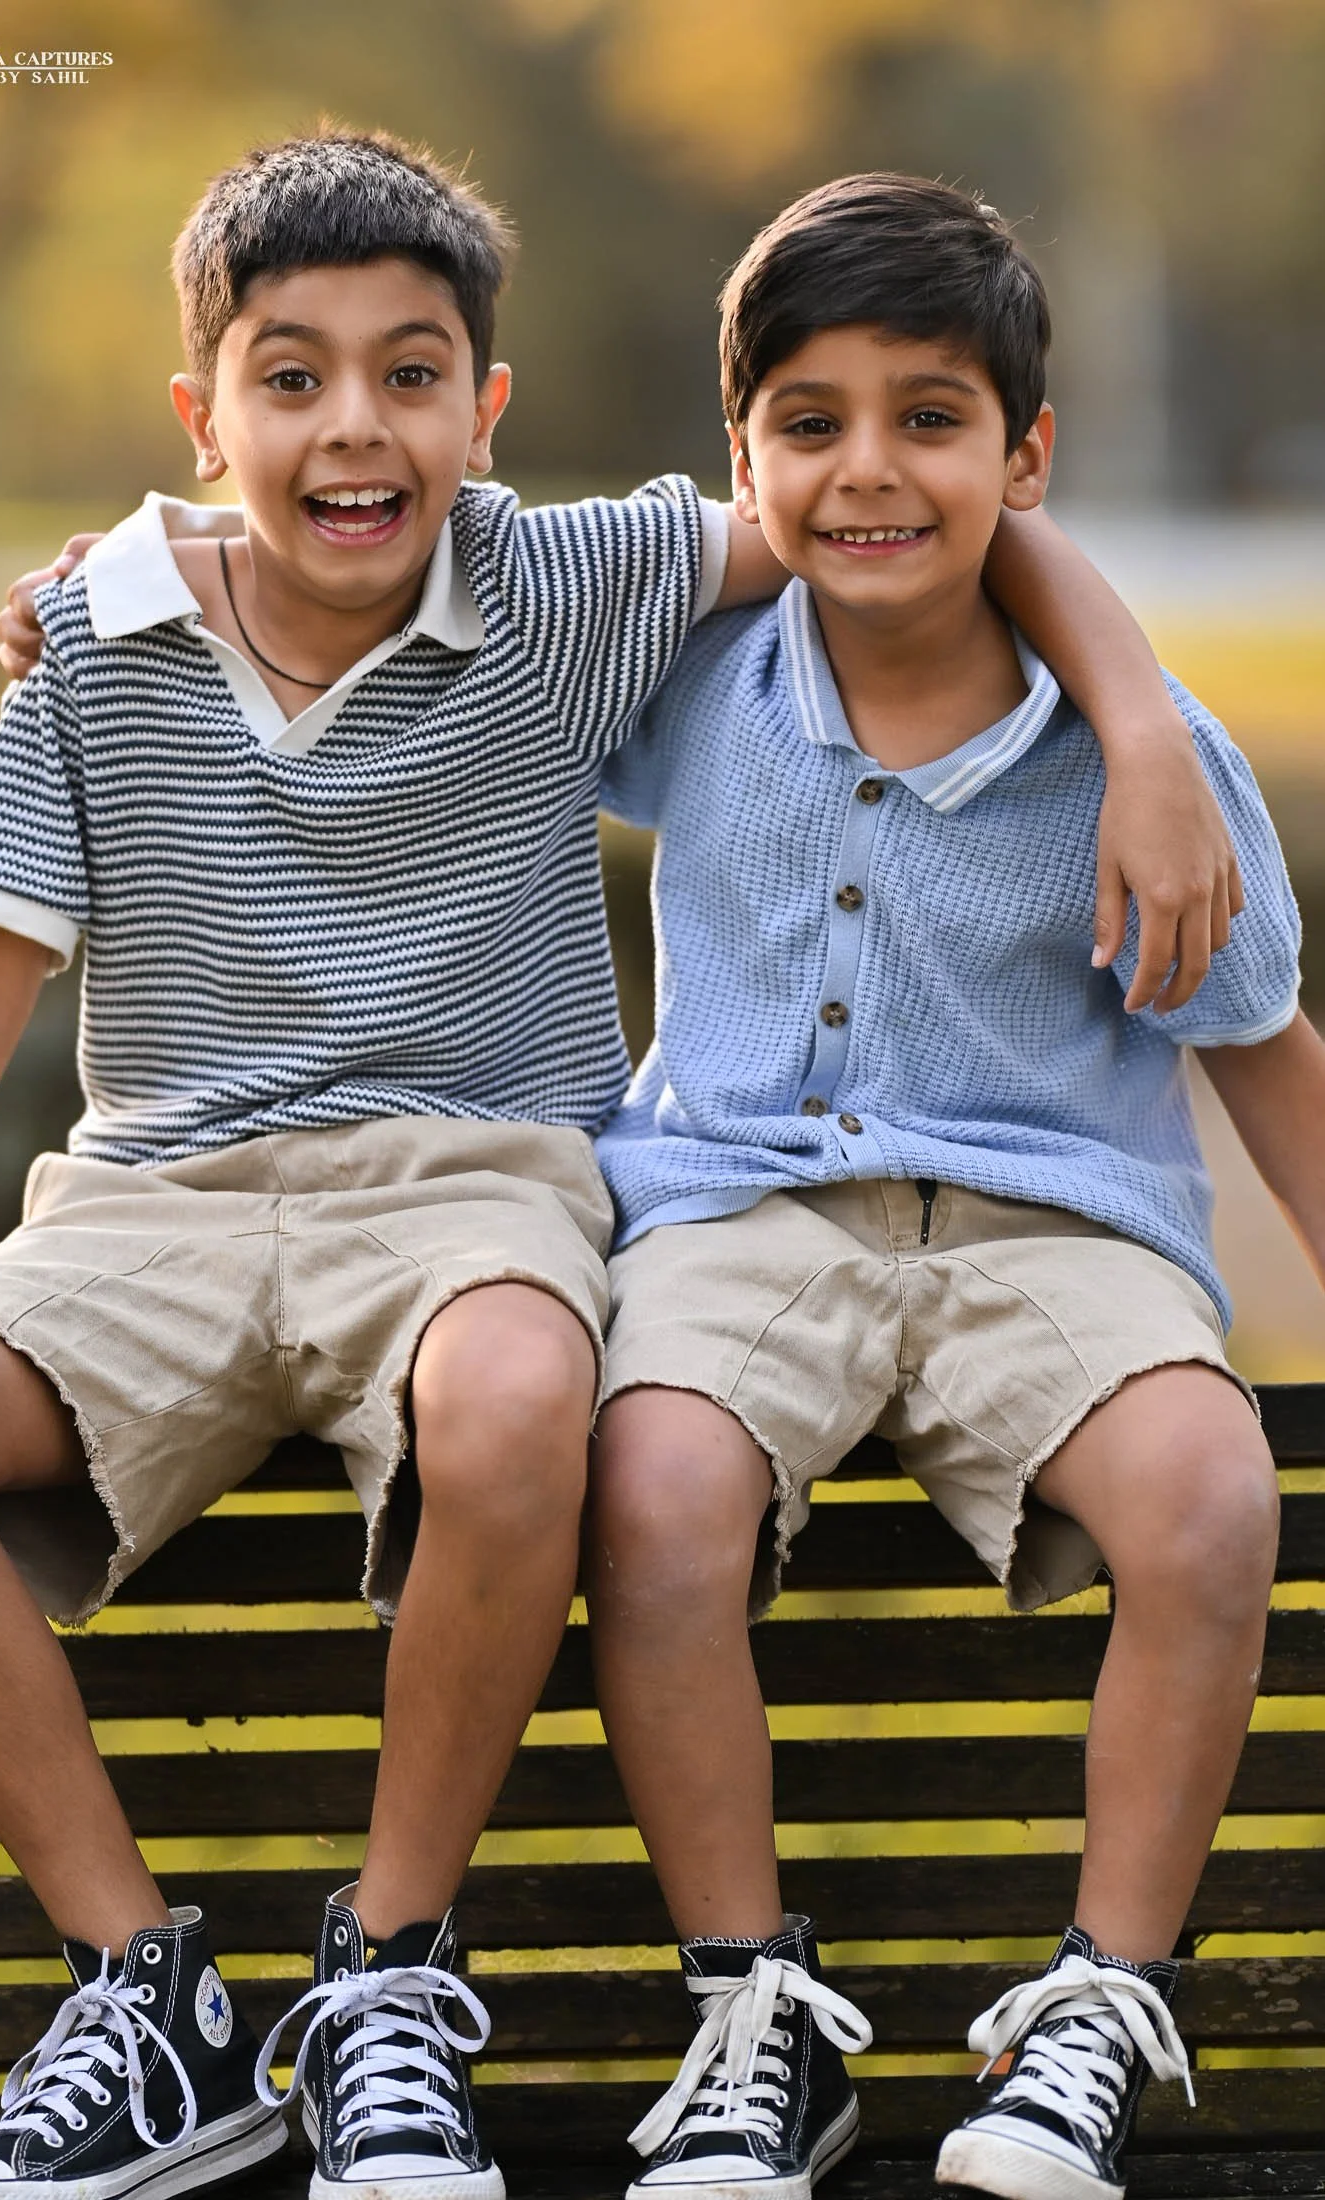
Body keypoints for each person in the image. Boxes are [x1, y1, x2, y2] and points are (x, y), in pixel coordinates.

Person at [0, 129, 1241, 2200]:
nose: (354, 425)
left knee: (521, 1399)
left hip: (479, 1185)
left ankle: (389, 1964)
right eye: (291, 375)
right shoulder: (104, 646)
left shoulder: (567, 583)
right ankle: (146, 1993)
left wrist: (1133, 721)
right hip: (156, 1198)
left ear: (483, 412)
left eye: (411, 373)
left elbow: (905, 509)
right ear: (202, 411)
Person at [584, 173, 1324, 2200]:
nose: (868, 469)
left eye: (931, 417)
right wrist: (148, 570)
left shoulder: (1145, 763)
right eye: (806, 422)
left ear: (1027, 454)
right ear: (737, 460)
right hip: (742, 1214)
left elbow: (1263, 1055)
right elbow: (404, 596)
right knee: (649, 1491)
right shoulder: (686, 672)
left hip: (1054, 1225)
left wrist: (1142, 728)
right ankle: (748, 2006)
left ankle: (1093, 1998)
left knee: (1209, 1490)